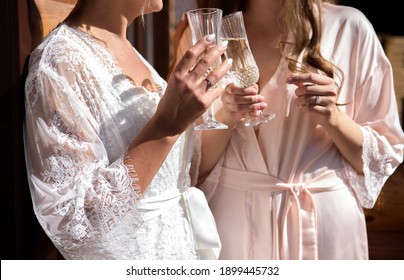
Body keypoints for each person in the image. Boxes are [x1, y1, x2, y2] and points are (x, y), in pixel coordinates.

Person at [172, 0, 404, 259]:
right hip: (233, 227)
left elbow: (380, 158)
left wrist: (334, 117)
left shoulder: (349, 27)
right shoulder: (205, 36)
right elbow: (190, 167)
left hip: (324, 227)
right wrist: (228, 115)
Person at [23, 0, 233, 260]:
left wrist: (230, 116)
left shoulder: (128, 50)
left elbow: (175, 176)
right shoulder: (60, 61)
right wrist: (167, 126)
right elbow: (72, 224)